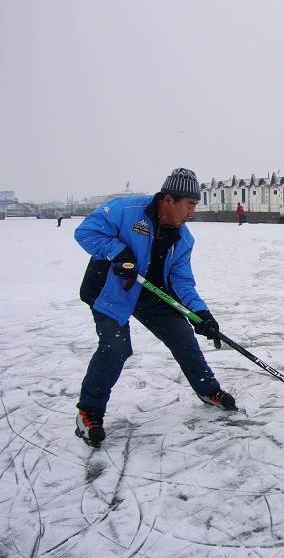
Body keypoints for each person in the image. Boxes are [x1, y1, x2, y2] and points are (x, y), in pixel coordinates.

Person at [74, 168, 236, 448]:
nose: (192, 213)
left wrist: (201, 314)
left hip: (152, 294)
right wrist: (118, 252)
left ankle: (208, 390)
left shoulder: (184, 239)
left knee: (183, 337)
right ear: (169, 200)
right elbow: (85, 232)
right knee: (116, 348)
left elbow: (182, 280)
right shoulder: (126, 210)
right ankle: (88, 412)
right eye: (190, 205)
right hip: (111, 292)